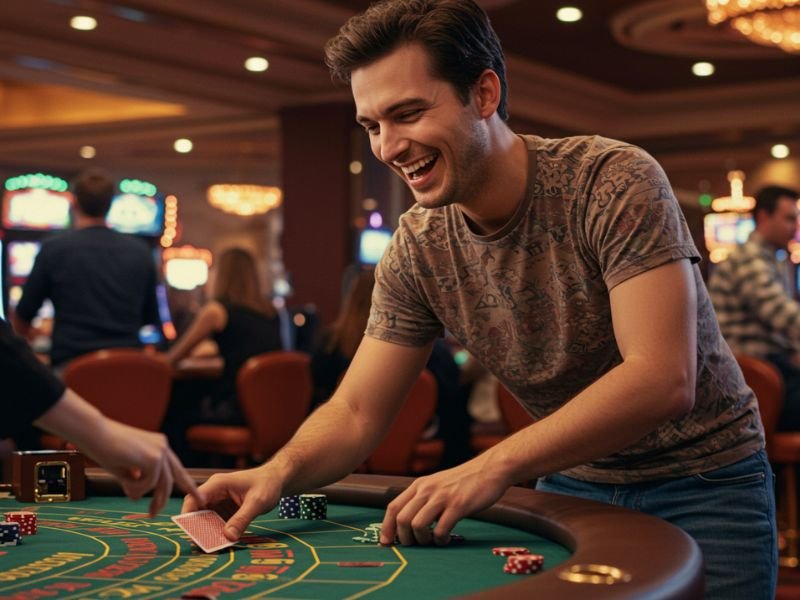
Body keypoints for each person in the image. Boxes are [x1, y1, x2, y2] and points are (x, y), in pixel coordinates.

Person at [183, 2, 775, 598]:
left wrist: (490, 467)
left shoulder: (611, 179)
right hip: (573, 483)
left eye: (408, 113)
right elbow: (359, 411)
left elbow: (660, 378)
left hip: (706, 479)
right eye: (372, 126)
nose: (389, 146)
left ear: (484, 94)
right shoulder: (417, 244)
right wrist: (279, 472)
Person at [0, 317, 199, 516]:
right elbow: (154, 320)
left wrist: (99, 431)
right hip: (133, 372)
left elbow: (22, 319)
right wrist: (98, 432)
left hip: (67, 375)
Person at [309, 268, 472, 467]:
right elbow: (454, 404)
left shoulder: (329, 344)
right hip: (421, 445)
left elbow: (319, 405)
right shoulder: (431, 349)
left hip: (349, 450)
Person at [12, 168, 161, 371]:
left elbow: (22, 318)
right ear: (110, 205)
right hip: (127, 371)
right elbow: (151, 318)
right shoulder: (141, 252)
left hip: (72, 369)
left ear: (74, 203)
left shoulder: (54, 249)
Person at [164, 248, 283, 462]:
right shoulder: (271, 312)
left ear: (222, 274)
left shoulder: (216, 311)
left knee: (174, 412)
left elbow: (173, 357)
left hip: (237, 410)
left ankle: (185, 484)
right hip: (271, 412)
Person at [709, 185, 800, 430]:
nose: (795, 226)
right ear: (763, 217)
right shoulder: (750, 257)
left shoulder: (772, 257)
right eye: (789, 218)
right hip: (749, 373)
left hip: (770, 364)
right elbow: (781, 314)